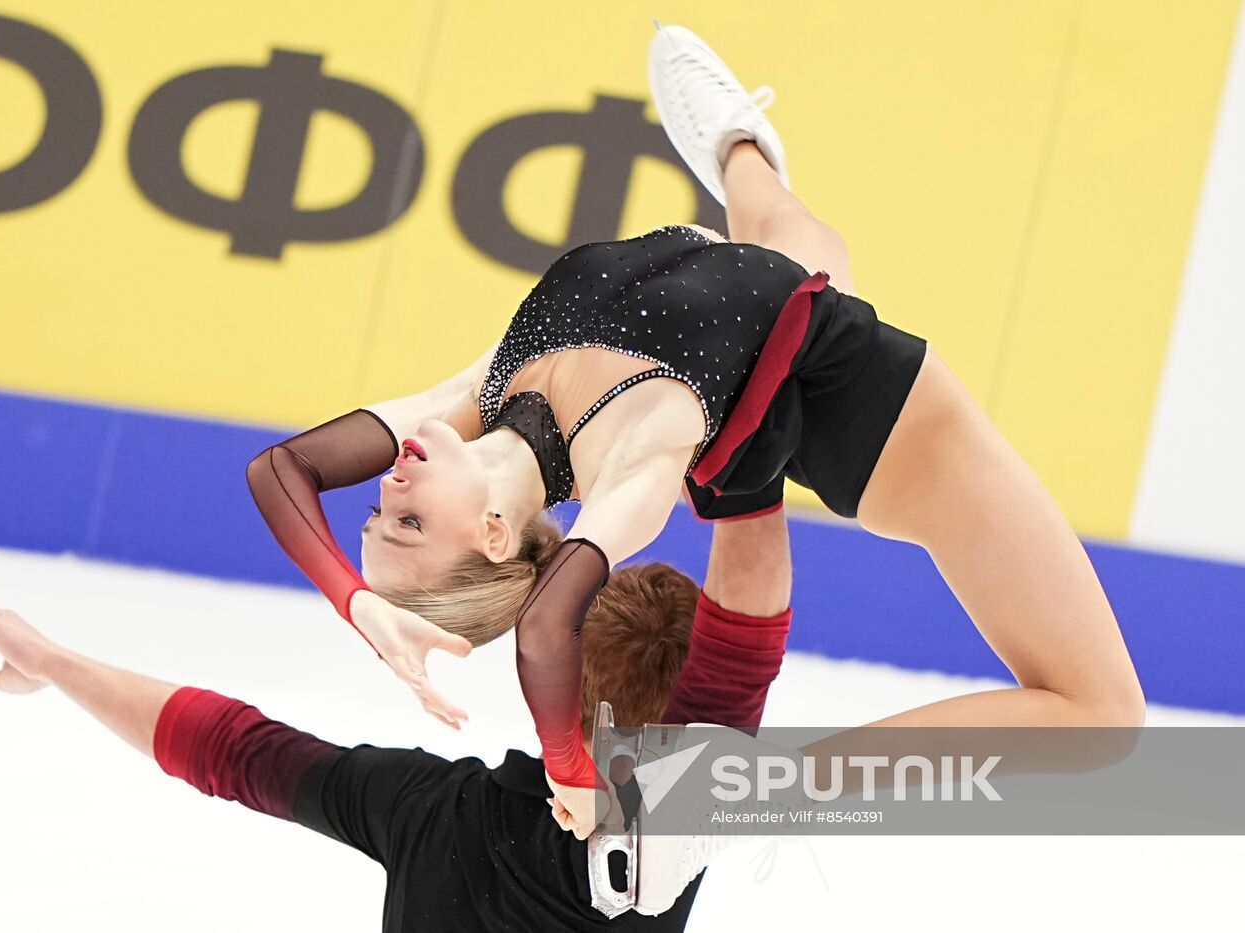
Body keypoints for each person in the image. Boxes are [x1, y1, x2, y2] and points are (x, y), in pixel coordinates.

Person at [243, 23, 1146, 837]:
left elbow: (281, 468)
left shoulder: (473, 396)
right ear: (490, 533)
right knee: (1104, 716)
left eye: (371, 512)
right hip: (874, 418)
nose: (385, 486)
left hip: (754, 291)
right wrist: (575, 773)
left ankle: (739, 146)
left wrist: (358, 601)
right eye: (405, 523)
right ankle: (774, 788)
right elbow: (546, 628)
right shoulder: (625, 467)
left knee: (786, 239)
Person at [0, 506, 796, 929]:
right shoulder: (671, 835)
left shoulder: (425, 810)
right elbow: (740, 646)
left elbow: (226, 745)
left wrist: (59, 664)